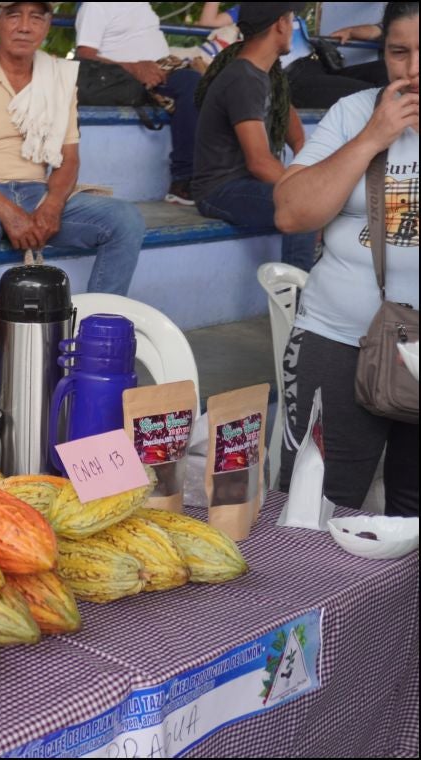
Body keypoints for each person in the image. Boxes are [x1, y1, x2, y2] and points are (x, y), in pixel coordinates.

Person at [0, 1, 144, 381]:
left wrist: (51, 204)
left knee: (125, 220)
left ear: (48, 25)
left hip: (36, 191)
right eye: (14, 14)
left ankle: (92, 337)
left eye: (36, 16)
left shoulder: (59, 76)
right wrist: (6, 210)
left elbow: (69, 159)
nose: (24, 26)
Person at [273, 1, 418, 517]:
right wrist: (373, 137)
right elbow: (292, 213)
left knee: (413, 513)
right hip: (340, 337)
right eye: (399, 53)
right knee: (316, 503)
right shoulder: (355, 112)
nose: (413, 69)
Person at [193, 3, 318, 271]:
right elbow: (259, 162)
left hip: (244, 185)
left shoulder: (263, 76)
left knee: (322, 200)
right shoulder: (243, 78)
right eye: (291, 20)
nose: (292, 27)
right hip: (220, 190)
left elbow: (296, 135)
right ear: (280, 24)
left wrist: (307, 167)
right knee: (302, 206)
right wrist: (304, 189)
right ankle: (296, 303)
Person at [75, 1, 203, 205]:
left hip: (161, 69)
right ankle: (183, 180)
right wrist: (134, 68)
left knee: (218, 84)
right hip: (123, 79)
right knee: (193, 85)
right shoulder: (96, 6)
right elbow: (85, 56)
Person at [199, 2, 389, 109]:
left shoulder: (290, 10)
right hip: (293, 79)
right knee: (371, 94)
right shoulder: (253, 8)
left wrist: (354, 31)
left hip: (320, 69)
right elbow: (207, 24)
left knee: (387, 71)